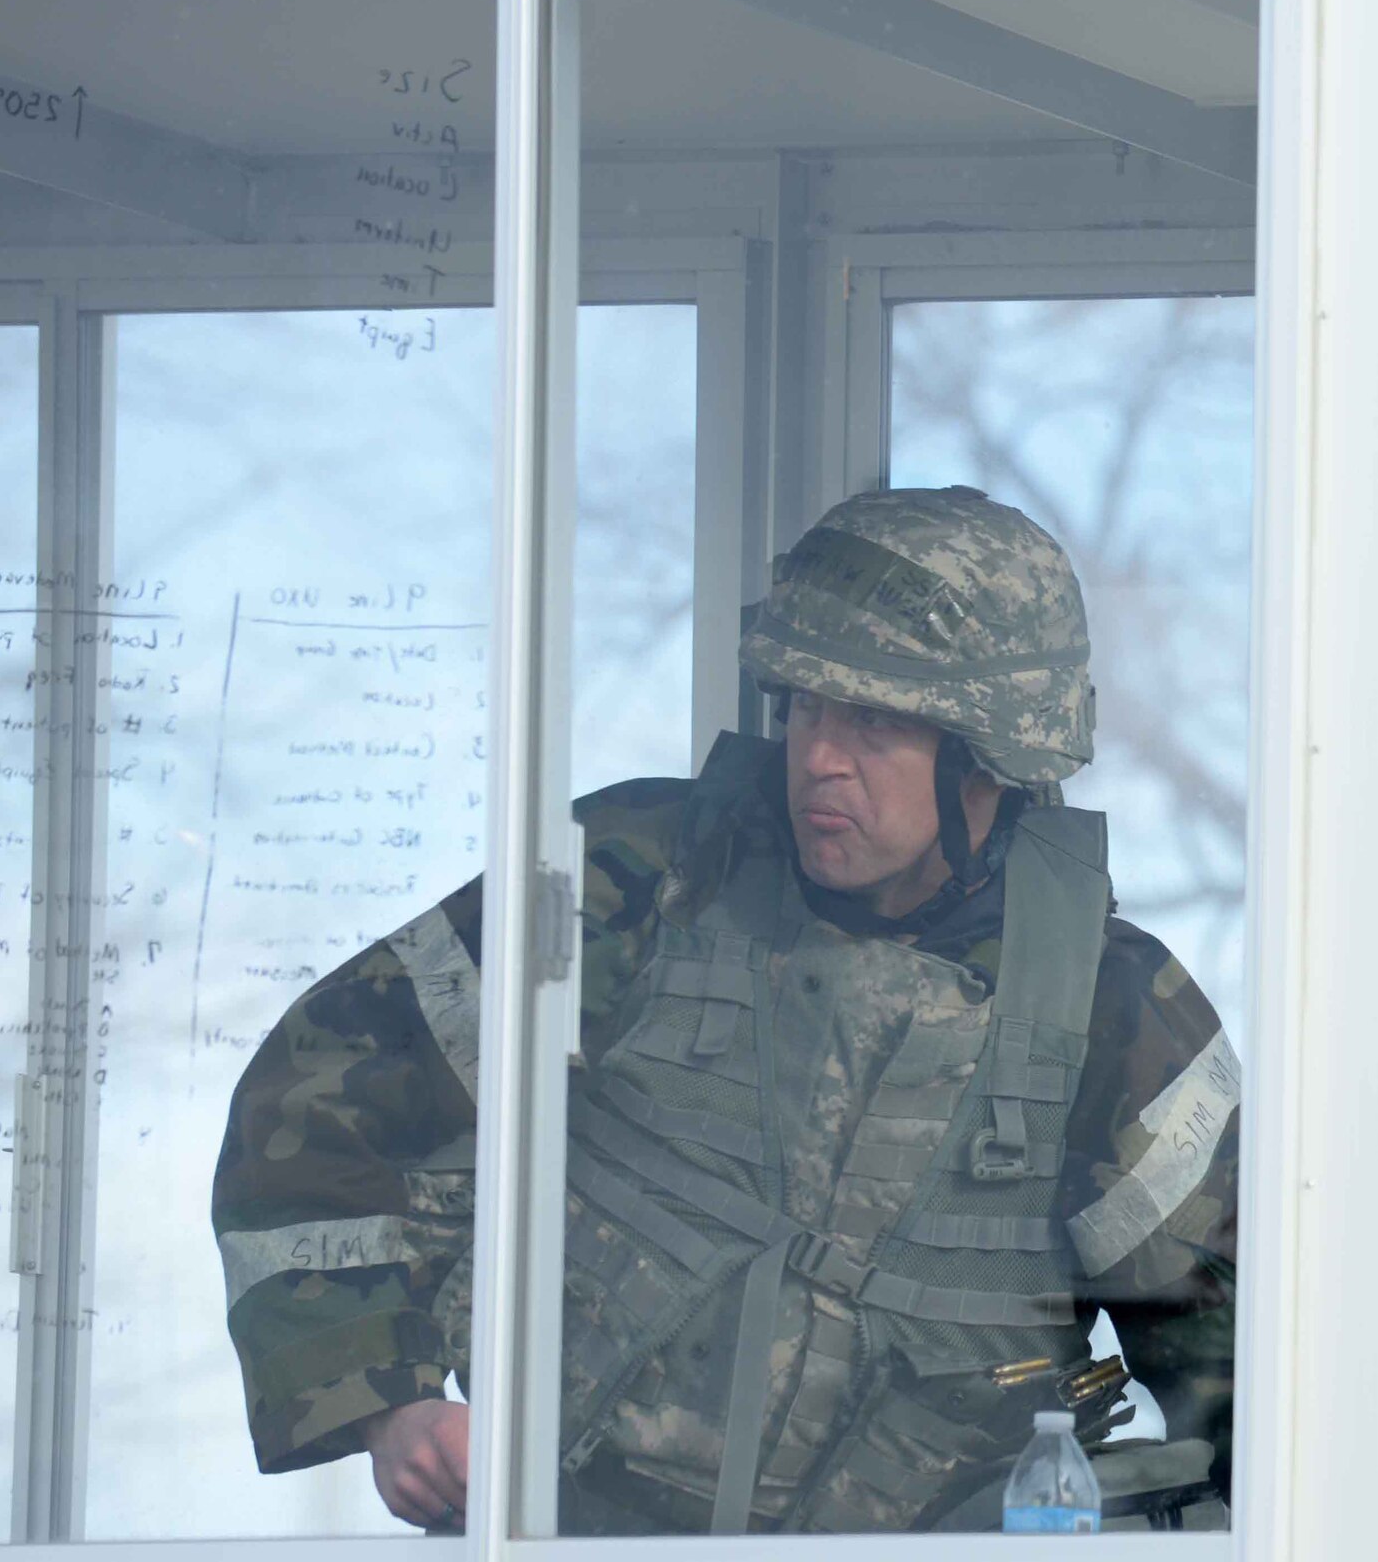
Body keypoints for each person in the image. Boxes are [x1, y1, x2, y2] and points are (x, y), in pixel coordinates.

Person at [212, 486, 1240, 1534]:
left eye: (873, 719)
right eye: (804, 706)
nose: (819, 756)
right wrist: (390, 1403)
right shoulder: (641, 876)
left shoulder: (1110, 1005)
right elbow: (317, 1093)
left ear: (989, 751)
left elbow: (1251, 1367)